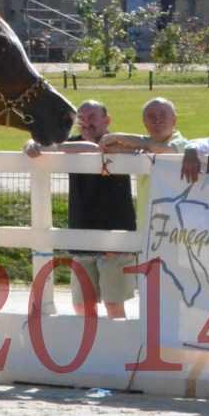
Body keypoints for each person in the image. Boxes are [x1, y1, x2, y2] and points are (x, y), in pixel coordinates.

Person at [22, 99, 136, 320]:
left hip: (115, 237)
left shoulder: (116, 143)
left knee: (114, 305)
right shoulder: (69, 144)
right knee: (83, 306)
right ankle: (91, 350)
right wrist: (32, 144)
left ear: (107, 120)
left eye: (92, 117)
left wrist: (50, 146)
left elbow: (93, 149)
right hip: (81, 233)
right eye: (82, 118)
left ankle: (120, 349)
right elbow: (38, 144)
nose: (86, 122)